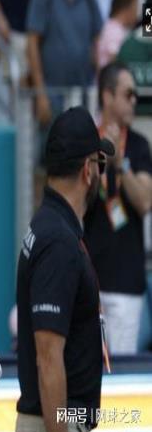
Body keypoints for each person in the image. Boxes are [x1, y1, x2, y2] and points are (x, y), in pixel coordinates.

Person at [16, 107, 115, 432]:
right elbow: (48, 358)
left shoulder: (52, 226)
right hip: (54, 425)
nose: (100, 174)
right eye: (100, 165)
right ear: (88, 169)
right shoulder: (58, 240)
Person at [84, 62, 152, 354]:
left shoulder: (139, 145)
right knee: (89, 368)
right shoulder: (87, 141)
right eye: (128, 94)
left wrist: (120, 163)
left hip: (126, 282)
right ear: (107, 96)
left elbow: (145, 202)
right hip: (90, 281)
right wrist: (100, 164)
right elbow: (78, 200)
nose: (134, 100)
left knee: (122, 369)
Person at [26, 0, 102, 131]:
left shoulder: (89, 1)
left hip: (83, 96)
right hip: (52, 96)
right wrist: (40, 94)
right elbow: (32, 44)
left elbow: (98, 43)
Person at [97, 0, 138, 69]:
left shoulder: (114, 27)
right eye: (135, 8)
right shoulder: (114, 31)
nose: (137, 14)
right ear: (126, 8)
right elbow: (113, 59)